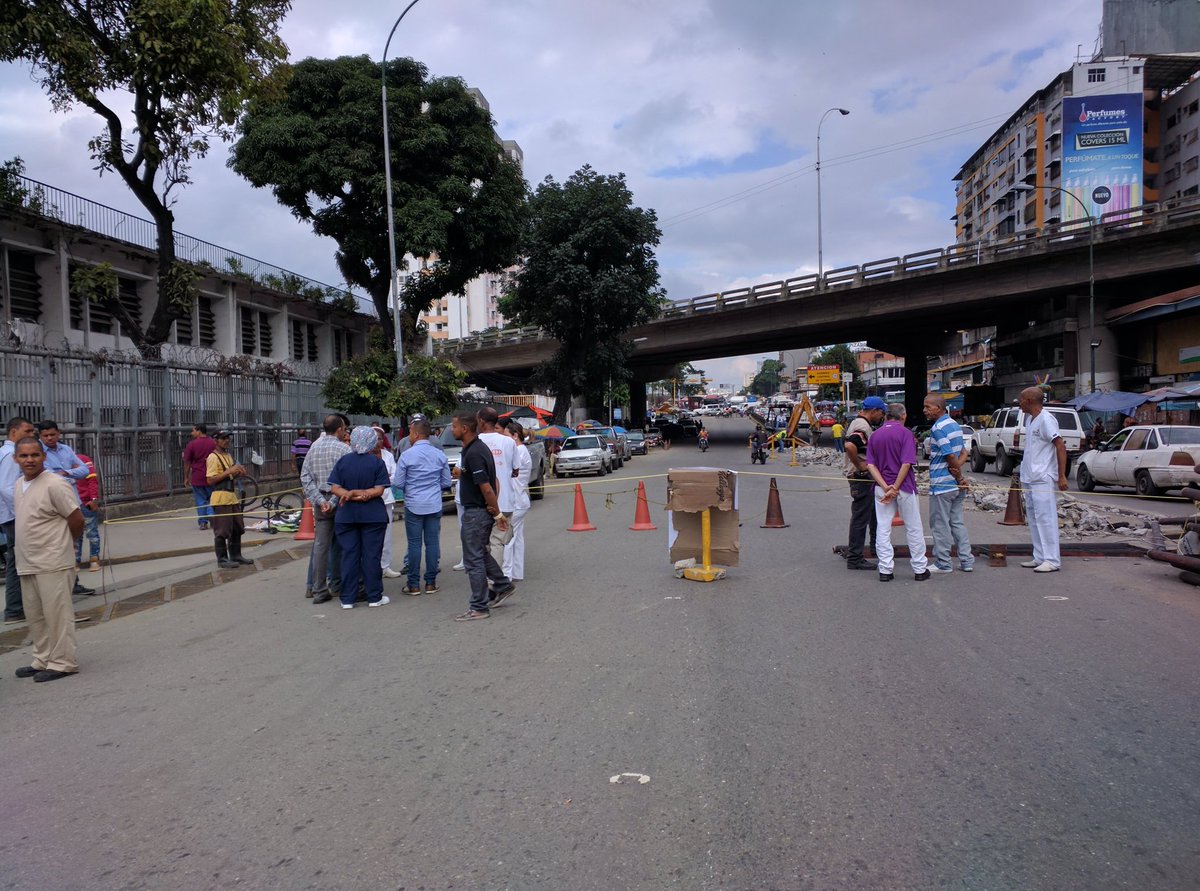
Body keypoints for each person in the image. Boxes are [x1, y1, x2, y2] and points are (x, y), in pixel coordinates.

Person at [11, 436, 85, 682]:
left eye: (35, 455)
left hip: (53, 560)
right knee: (36, 614)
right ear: (16, 459)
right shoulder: (20, 484)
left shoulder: (55, 483)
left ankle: (63, 662)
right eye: (24, 456)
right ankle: (42, 658)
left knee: (57, 615)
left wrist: (66, 545)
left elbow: (76, 519)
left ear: (44, 457)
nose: (29, 460)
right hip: (27, 561)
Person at [451, 412, 512, 621]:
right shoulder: (472, 449)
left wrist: (497, 514)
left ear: (465, 429)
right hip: (477, 511)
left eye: (454, 426)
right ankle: (503, 585)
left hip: (477, 513)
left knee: (473, 559)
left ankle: (479, 606)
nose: (452, 430)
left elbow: (487, 487)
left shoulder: (475, 452)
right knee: (480, 553)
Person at [328, 426, 391, 609]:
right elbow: (379, 490)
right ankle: (374, 596)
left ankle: (347, 598)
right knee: (371, 556)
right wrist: (363, 494)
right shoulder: (377, 462)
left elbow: (334, 487)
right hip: (373, 515)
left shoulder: (343, 461)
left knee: (349, 556)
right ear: (371, 441)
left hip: (347, 515)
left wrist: (349, 494)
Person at [866, 402, 929, 582]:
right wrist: (895, 487)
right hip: (905, 487)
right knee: (913, 527)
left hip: (881, 488)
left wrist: (886, 487)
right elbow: (906, 463)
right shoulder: (906, 434)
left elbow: (870, 464)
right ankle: (919, 568)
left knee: (883, 527)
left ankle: (885, 569)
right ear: (903, 416)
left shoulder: (875, 436)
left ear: (886, 416)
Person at [392, 417, 451, 596]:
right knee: (432, 543)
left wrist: (413, 486)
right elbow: (447, 481)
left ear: (416, 434)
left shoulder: (407, 455)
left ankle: (413, 584)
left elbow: (398, 483)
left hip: (414, 504)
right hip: (434, 503)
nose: (409, 435)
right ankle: (431, 583)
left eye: (410, 432)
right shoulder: (439, 454)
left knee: (414, 544)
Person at [37, 421, 94, 596]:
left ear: (58, 433)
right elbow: (48, 476)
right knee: (57, 546)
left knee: (73, 545)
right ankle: (57, 588)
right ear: (40, 436)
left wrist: (66, 472)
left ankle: (73, 583)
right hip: (53, 506)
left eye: (52, 434)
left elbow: (84, 470)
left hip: (72, 501)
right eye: (45, 435)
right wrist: (67, 472)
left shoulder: (66, 450)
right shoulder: (38, 452)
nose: (49, 438)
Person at [299, 415, 351, 604]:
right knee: (340, 544)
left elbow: (305, 477)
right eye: (344, 428)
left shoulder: (313, 448)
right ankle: (336, 584)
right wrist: (334, 500)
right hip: (341, 501)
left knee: (320, 545)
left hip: (320, 501)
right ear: (339, 429)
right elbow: (347, 480)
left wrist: (321, 501)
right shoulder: (344, 450)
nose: (345, 432)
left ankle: (317, 588)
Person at [1018, 386, 1069, 573]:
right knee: (1033, 517)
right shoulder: (1030, 419)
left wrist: (1061, 476)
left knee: (1046, 518)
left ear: (1030, 401)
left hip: (1043, 476)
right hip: (1030, 476)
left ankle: (1052, 559)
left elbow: (1060, 446)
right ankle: (1039, 556)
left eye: (1021, 400)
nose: (1019, 403)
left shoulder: (1047, 420)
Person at [923, 393, 973, 574]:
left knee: (940, 524)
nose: (924, 411)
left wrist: (958, 475)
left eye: (928, 407)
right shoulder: (955, 425)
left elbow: (949, 455)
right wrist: (959, 475)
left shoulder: (938, 428)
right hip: (955, 485)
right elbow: (963, 453)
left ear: (939, 407)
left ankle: (943, 562)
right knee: (957, 523)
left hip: (941, 485)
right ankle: (966, 561)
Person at [477, 407, 517, 600]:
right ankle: (496, 583)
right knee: (498, 543)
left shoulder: (475, 443)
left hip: (482, 503)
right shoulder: (509, 442)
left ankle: (489, 583)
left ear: (482, 422)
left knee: (481, 543)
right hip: (505, 500)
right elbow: (515, 470)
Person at [843, 397, 885, 571]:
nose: (881, 417)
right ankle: (855, 558)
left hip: (863, 476)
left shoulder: (859, 423)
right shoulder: (862, 426)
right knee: (861, 517)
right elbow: (850, 446)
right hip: (861, 477)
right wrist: (860, 465)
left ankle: (874, 548)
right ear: (873, 411)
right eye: (881, 413)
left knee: (872, 514)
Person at [1, 416, 36, 623]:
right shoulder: (11, 455)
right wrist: (23, 510)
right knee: (18, 562)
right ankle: (14, 609)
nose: (32, 435)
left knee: (18, 560)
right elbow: (6, 488)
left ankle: (18, 607)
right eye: (28, 431)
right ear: (14, 432)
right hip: (15, 516)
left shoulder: (6, 453)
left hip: (11, 515)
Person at [206, 430, 252, 570]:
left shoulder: (228, 455)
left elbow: (230, 476)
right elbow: (210, 480)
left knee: (237, 527)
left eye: (228, 438)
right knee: (222, 530)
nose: (226, 441)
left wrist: (238, 472)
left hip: (231, 496)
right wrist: (228, 472)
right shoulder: (213, 457)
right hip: (220, 498)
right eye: (223, 438)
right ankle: (222, 559)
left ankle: (236, 555)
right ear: (216, 440)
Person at [371, 426, 403, 579]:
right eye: (375, 438)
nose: (377, 442)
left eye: (379, 438)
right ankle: (372, 566)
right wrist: (383, 479)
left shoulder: (388, 456)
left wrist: (381, 482)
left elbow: (395, 477)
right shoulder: (364, 457)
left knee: (387, 535)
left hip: (386, 500)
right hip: (370, 500)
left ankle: (385, 566)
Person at [503, 424, 532, 583]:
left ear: (515, 436)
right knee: (517, 537)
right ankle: (516, 572)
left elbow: (507, 474)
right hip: (520, 500)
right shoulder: (521, 451)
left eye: (506, 435)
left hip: (516, 501)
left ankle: (507, 574)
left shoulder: (519, 452)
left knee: (508, 538)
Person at [182, 423, 217, 531]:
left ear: (199, 431)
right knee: (212, 498)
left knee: (200, 499)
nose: (192, 433)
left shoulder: (192, 445)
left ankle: (203, 522)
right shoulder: (213, 442)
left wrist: (186, 477)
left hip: (197, 476)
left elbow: (187, 462)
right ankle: (212, 516)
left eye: (193, 430)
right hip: (212, 476)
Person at [73, 451, 102, 574]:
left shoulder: (83, 459)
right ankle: (75, 560)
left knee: (92, 533)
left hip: (85, 503)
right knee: (75, 535)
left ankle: (94, 559)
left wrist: (93, 499)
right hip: (71, 504)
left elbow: (92, 480)